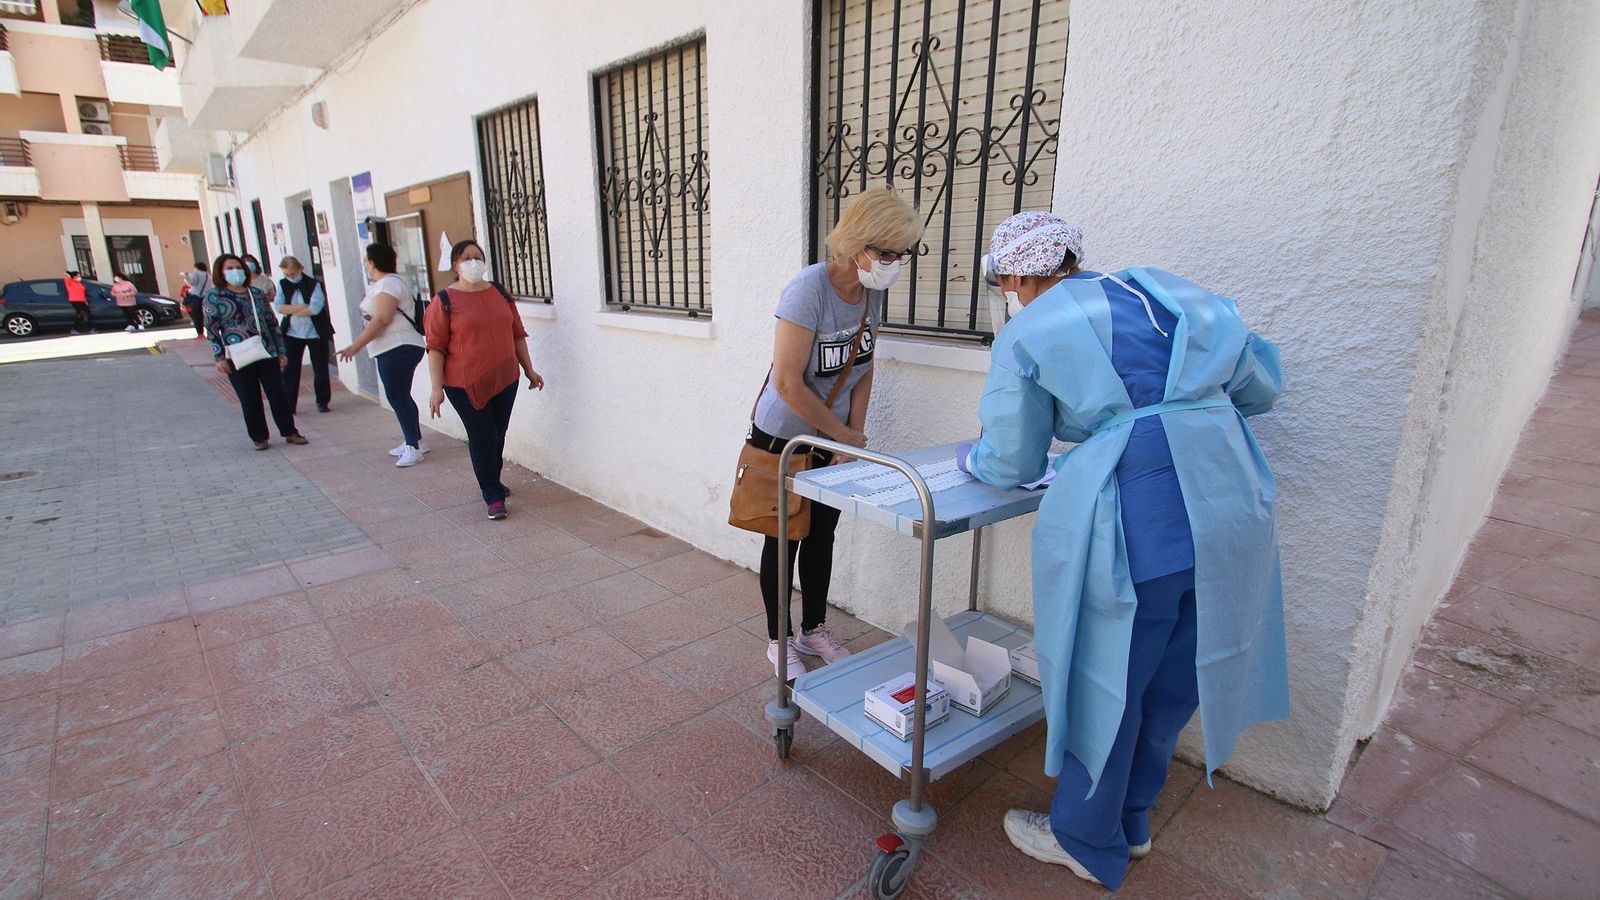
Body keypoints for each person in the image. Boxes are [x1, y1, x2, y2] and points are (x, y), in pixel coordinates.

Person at [952, 212, 1288, 889]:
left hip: (1141, 521)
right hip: (1231, 507)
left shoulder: (1031, 330)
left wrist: (976, 460)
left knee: (1107, 678)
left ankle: (1084, 836)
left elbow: (1012, 456)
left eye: (1008, 284)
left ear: (1015, 274)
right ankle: (1132, 818)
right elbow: (1261, 387)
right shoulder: (1171, 293)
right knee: (1176, 680)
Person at [749, 187, 921, 679]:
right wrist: (842, 435)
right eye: (886, 252)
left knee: (822, 533)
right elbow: (787, 382)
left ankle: (814, 629)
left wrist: (854, 434)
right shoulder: (808, 290)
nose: (893, 263)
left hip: (831, 438)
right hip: (784, 437)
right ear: (857, 244)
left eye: (900, 254)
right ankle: (778, 641)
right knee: (784, 538)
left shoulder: (871, 292)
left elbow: (863, 366)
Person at [425, 239, 543, 518]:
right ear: (456, 264)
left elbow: (516, 333)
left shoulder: (500, 293)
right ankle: (492, 495)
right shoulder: (444, 301)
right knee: (483, 436)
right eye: (467, 257)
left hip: (505, 377)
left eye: (478, 256)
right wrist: (435, 388)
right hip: (463, 384)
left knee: (498, 433)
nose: (474, 262)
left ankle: (493, 479)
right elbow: (435, 347)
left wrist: (529, 369)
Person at [205, 254, 308, 451]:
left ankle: (289, 431)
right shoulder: (214, 296)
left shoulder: (256, 293)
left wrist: (281, 351)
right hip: (236, 354)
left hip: (266, 350)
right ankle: (259, 436)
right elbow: (211, 329)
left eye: (238, 267)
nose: (236, 271)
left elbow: (272, 323)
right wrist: (219, 357)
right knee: (248, 396)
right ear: (220, 272)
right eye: (230, 268)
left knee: (278, 393)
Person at [338, 244, 429, 467]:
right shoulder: (385, 284)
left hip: (397, 346)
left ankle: (413, 447)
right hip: (393, 347)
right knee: (401, 395)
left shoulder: (388, 284)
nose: (365, 265)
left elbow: (382, 319)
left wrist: (355, 346)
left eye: (367, 261)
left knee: (398, 396)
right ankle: (413, 439)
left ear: (372, 261)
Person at [275, 256, 335, 414]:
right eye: (287, 275)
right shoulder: (283, 285)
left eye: (293, 274)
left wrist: (291, 309)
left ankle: (322, 401)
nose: (290, 277)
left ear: (300, 269)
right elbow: (279, 307)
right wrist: (300, 306)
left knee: (320, 368)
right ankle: (289, 403)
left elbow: (314, 309)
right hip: (292, 333)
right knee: (290, 369)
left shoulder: (314, 284)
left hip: (315, 332)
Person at [184, 263, 210, 339]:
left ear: (196, 267)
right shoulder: (208, 275)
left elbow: (191, 283)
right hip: (205, 298)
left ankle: (200, 333)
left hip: (195, 297)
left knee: (196, 316)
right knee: (204, 315)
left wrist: (186, 277)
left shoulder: (196, 273)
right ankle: (208, 332)